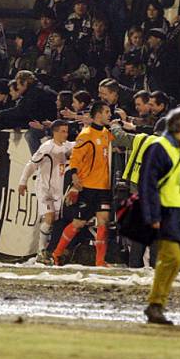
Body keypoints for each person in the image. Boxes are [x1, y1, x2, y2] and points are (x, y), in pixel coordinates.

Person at [139, 107, 180, 325]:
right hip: (166, 211)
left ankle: (157, 304)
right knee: (171, 258)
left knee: (176, 260)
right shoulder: (159, 147)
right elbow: (148, 183)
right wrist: (152, 214)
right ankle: (155, 304)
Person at [51, 101, 114, 266]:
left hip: (104, 188)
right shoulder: (85, 135)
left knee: (103, 222)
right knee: (78, 224)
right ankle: (56, 254)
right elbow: (75, 158)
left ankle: (100, 262)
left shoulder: (107, 133)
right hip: (88, 187)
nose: (110, 115)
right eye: (107, 112)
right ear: (98, 114)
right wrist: (74, 177)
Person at [18, 119, 75, 264]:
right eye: (62, 131)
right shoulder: (47, 147)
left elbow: (82, 144)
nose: (66, 134)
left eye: (67, 131)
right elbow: (32, 164)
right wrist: (23, 182)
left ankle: (51, 252)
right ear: (55, 132)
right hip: (44, 188)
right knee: (49, 217)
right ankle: (41, 251)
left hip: (59, 190)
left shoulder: (69, 146)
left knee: (55, 221)